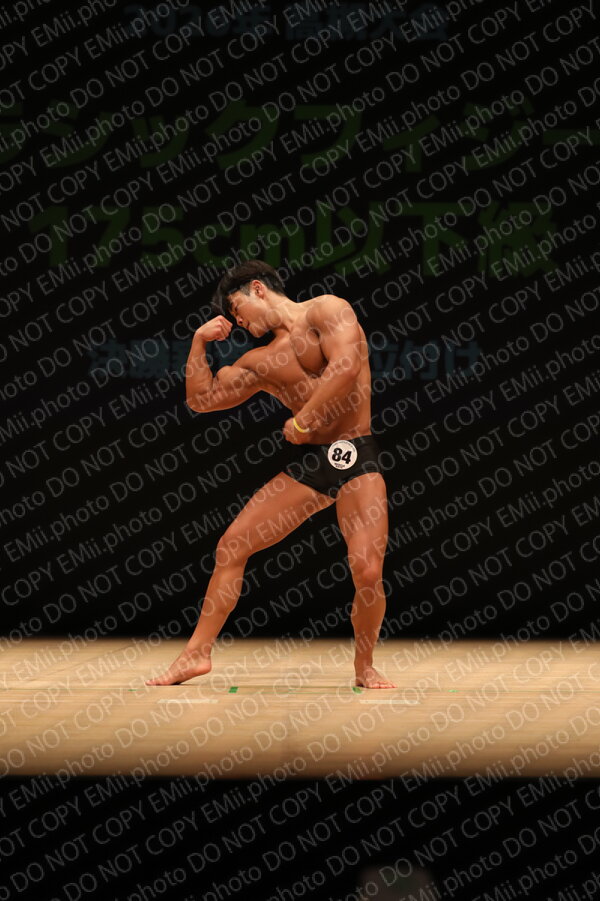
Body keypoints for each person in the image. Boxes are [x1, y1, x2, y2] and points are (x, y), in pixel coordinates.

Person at [146, 260, 396, 689]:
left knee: (368, 571)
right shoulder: (260, 360)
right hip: (313, 462)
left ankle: (365, 666)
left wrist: (304, 420)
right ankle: (196, 655)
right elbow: (202, 400)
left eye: (236, 308)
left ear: (258, 289)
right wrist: (198, 343)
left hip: (355, 453)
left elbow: (347, 367)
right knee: (232, 546)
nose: (238, 321)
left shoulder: (327, 310)